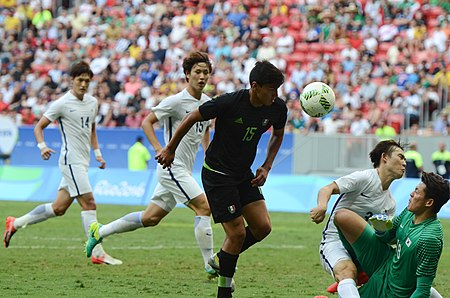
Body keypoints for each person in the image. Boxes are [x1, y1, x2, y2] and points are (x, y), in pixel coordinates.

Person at [156, 60, 286, 298]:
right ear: (255, 86)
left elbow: (278, 134)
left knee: (263, 227)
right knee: (236, 234)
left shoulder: (277, 108)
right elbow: (192, 117)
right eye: (271, 89)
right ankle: (224, 292)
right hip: (218, 174)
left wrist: (267, 166)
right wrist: (170, 148)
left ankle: (221, 258)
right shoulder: (230, 102)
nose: (275, 95)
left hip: (243, 174)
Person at [85, 51, 216, 276]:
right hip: (171, 168)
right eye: (197, 72)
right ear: (187, 74)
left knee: (150, 218)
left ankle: (100, 231)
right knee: (204, 207)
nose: (202, 77)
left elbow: (205, 128)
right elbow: (147, 122)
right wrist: (160, 149)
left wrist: (207, 151)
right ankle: (210, 264)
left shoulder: (207, 103)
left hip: (184, 168)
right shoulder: (175, 101)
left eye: (206, 72)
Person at [3, 61, 122, 265]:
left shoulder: (92, 102)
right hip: (70, 161)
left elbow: (92, 130)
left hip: (82, 162)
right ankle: (98, 252)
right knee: (89, 203)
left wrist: (98, 154)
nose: (83, 84)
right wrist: (42, 147)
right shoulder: (62, 104)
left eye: (87, 81)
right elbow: (38, 127)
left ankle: (15, 223)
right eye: (80, 80)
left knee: (59, 208)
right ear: (71, 80)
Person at [310, 139, 406, 296]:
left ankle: (353, 281)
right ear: (385, 158)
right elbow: (328, 188)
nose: (404, 163)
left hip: (362, 249)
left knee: (390, 278)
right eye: (400, 157)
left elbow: (382, 237)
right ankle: (350, 278)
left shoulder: (391, 203)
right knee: (348, 271)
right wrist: (322, 206)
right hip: (335, 242)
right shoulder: (365, 178)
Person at [334, 172, 449, 298]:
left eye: (416, 192)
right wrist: (381, 229)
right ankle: (360, 270)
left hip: (393, 293)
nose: (411, 194)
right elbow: (387, 237)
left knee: (345, 294)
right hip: (385, 265)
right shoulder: (410, 212)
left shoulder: (429, 238)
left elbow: (422, 290)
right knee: (342, 217)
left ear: (429, 203)